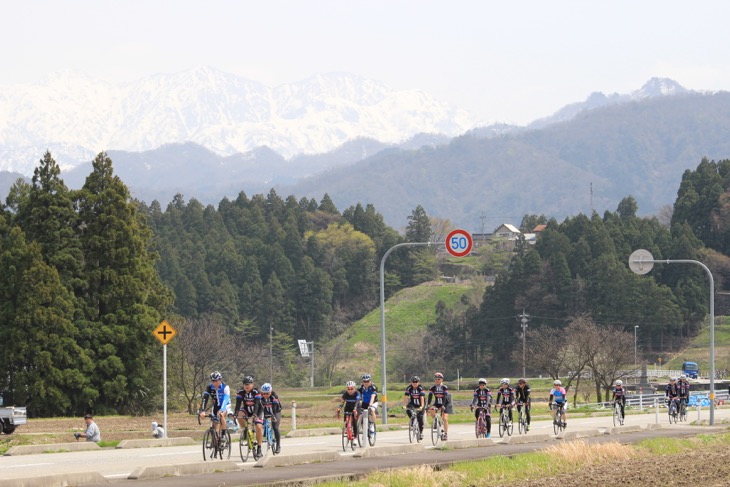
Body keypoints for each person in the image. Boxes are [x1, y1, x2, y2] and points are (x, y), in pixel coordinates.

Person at [199, 371, 231, 440]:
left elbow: (226, 399)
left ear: (220, 380)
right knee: (214, 421)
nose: (214, 383)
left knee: (221, 415)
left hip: (225, 405)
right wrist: (203, 411)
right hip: (216, 405)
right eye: (212, 381)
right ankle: (215, 440)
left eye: (216, 381)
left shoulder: (225, 387)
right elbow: (205, 399)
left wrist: (222, 410)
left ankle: (222, 436)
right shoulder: (210, 387)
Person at [255, 383, 282, 454]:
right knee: (260, 422)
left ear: (270, 392)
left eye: (267, 393)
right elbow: (259, 407)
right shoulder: (260, 397)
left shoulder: (274, 396)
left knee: (275, 427)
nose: (265, 395)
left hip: (276, 411)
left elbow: (275, 407)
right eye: (264, 393)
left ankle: (278, 445)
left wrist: (273, 415)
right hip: (265, 410)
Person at [427, 372, 452, 441]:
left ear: (442, 380)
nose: (437, 380)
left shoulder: (444, 387)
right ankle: (436, 421)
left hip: (445, 403)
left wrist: (443, 406)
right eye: (435, 379)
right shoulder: (433, 387)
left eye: (439, 379)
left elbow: (445, 396)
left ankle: (446, 433)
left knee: (445, 418)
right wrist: (428, 405)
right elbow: (430, 396)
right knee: (431, 409)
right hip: (437, 403)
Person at [403, 376, 426, 440]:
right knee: (408, 410)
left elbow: (422, 397)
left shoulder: (421, 388)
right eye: (413, 382)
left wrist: (421, 406)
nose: (415, 383)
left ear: (419, 382)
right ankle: (412, 419)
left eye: (416, 382)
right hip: (413, 403)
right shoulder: (409, 388)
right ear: (411, 382)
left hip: (421, 403)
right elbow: (406, 397)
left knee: (420, 417)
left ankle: (421, 433)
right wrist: (404, 405)